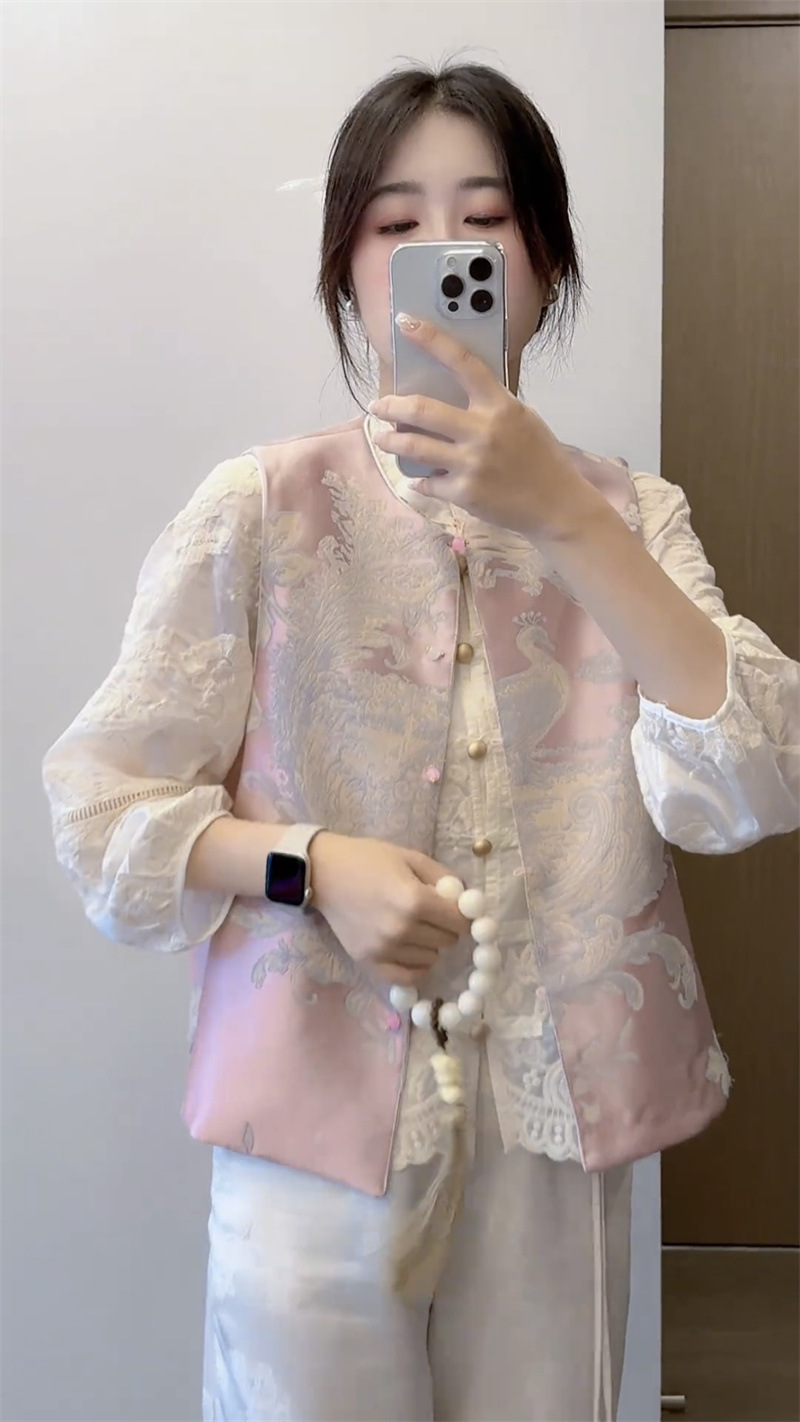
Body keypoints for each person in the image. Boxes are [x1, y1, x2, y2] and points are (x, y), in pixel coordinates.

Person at [43, 62, 799, 1422]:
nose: (443, 249)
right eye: (397, 225)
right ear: (349, 273)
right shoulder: (261, 508)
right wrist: (311, 865)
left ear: (546, 264)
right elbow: (102, 809)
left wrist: (567, 520)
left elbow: (752, 779)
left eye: (485, 219)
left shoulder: (634, 516)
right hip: (309, 1131)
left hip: (562, 1129)